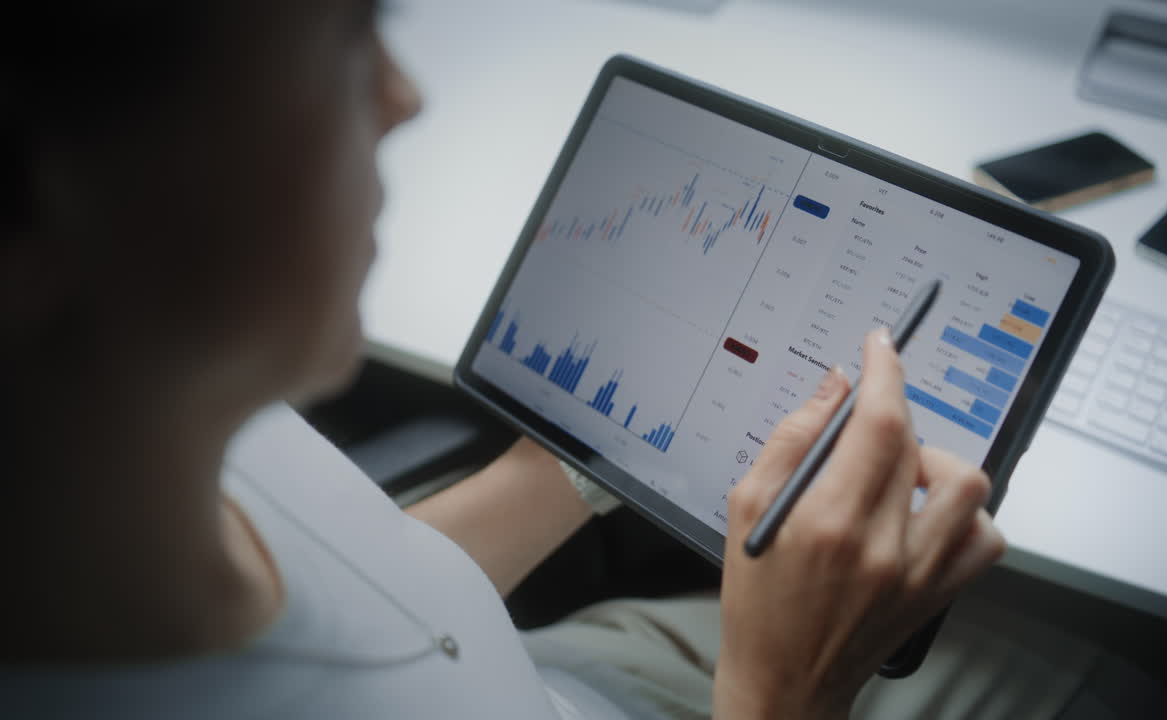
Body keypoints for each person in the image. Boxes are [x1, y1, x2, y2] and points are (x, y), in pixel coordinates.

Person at [1, 2, 1045, 717]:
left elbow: (365, 588)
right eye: (343, 36)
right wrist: (784, 693)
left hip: (551, 677)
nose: (403, 96)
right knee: (1086, 670)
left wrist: (582, 456)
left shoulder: (134, 434)